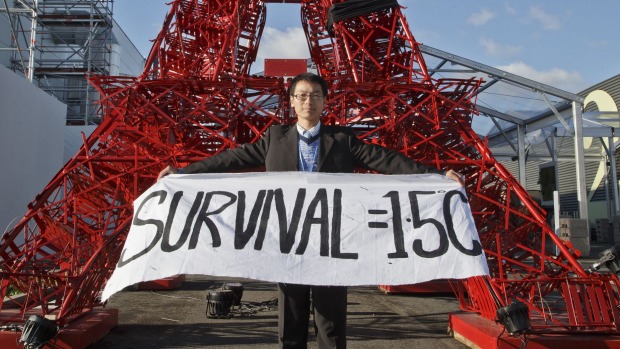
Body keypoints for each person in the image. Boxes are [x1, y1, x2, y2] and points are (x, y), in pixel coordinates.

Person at [157, 72, 464, 349]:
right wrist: (184, 173)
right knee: (291, 320)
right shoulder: (274, 138)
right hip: (288, 243)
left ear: (325, 102)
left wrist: (435, 177)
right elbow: (231, 159)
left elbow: (385, 159)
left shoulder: (342, 139)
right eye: (302, 95)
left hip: (331, 245)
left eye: (316, 95)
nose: (309, 101)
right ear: (292, 102)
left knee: (331, 323)